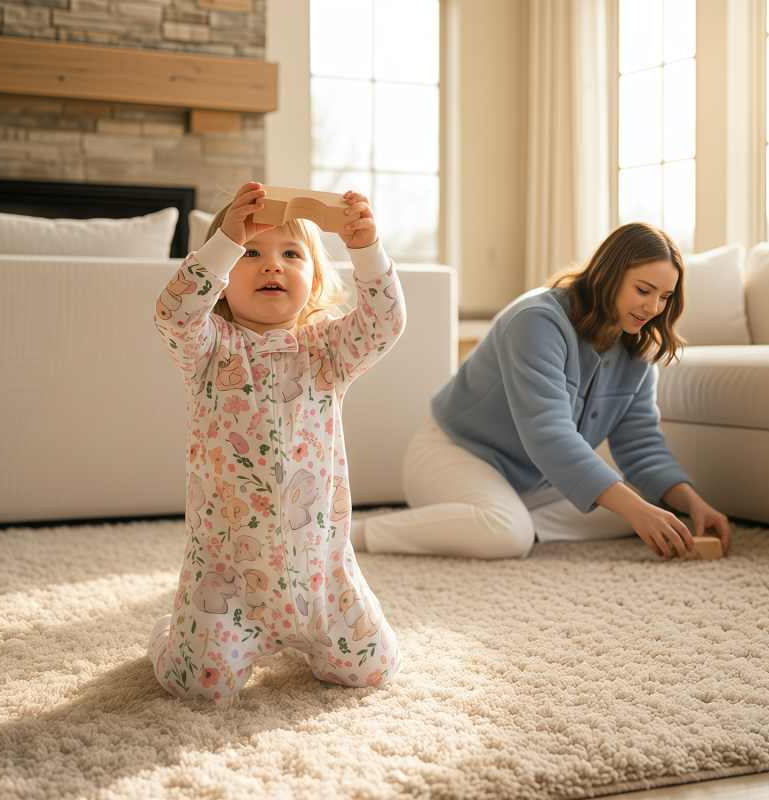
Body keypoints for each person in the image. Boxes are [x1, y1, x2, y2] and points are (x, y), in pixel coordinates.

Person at [149, 182, 405, 699]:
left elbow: (385, 322)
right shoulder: (209, 348)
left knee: (377, 668)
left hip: (322, 578)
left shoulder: (328, 347)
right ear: (220, 281)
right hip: (228, 581)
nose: (272, 264)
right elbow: (172, 314)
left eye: (292, 254)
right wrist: (223, 240)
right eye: (250, 252)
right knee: (197, 686)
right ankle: (170, 636)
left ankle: (312, 642)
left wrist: (365, 247)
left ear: (312, 283)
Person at [349, 223, 732, 560]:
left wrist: (693, 504)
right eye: (644, 290)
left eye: (665, 297)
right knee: (510, 535)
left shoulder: (637, 348)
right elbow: (549, 435)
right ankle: (357, 535)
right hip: (453, 455)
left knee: (648, 508)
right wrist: (633, 509)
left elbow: (641, 444)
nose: (653, 307)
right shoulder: (536, 321)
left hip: (537, 481)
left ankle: (502, 519)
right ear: (609, 274)